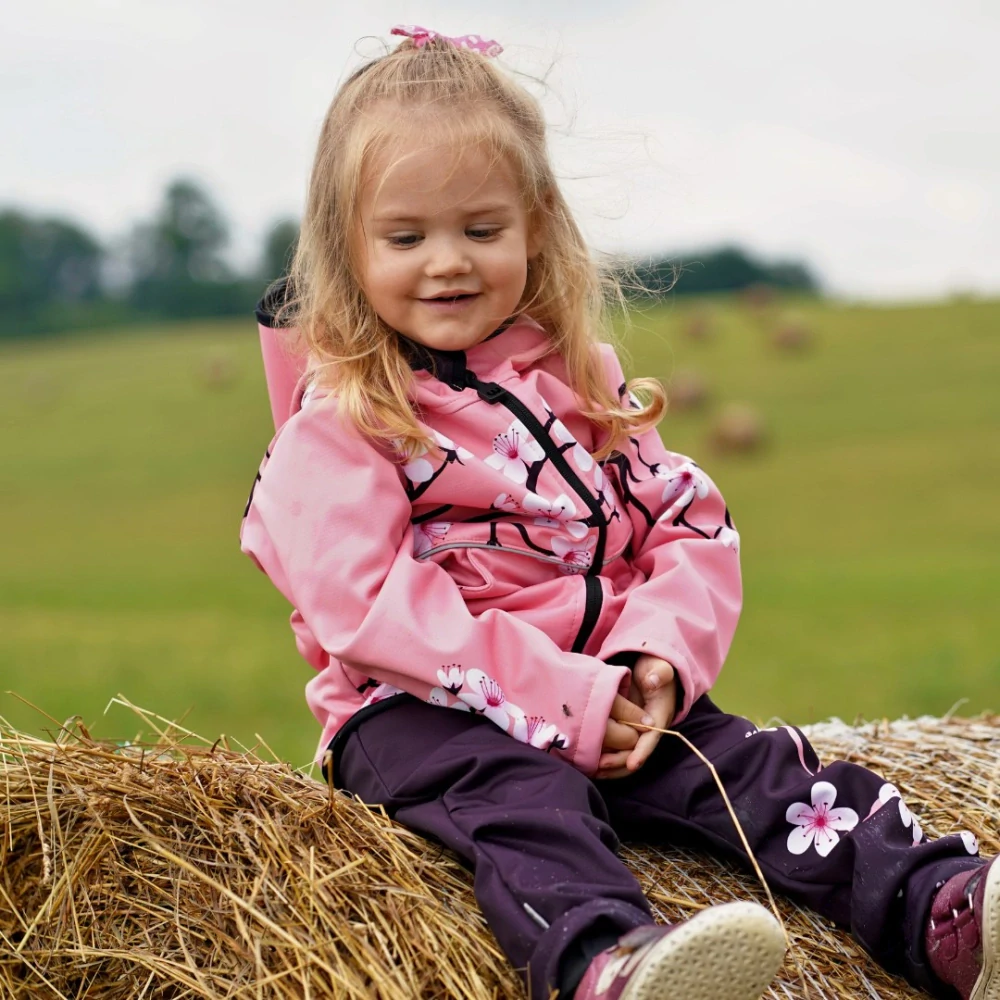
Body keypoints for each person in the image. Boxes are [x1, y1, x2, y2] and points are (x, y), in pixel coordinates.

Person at [240, 25, 997, 1000]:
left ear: (535, 225)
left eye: (481, 230)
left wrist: (656, 658)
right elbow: (377, 615)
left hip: (614, 690)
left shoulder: (582, 382)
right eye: (406, 237)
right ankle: (606, 964)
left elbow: (685, 518)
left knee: (764, 773)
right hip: (420, 715)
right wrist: (563, 702)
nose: (447, 262)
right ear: (345, 247)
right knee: (529, 805)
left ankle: (944, 911)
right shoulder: (337, 427)